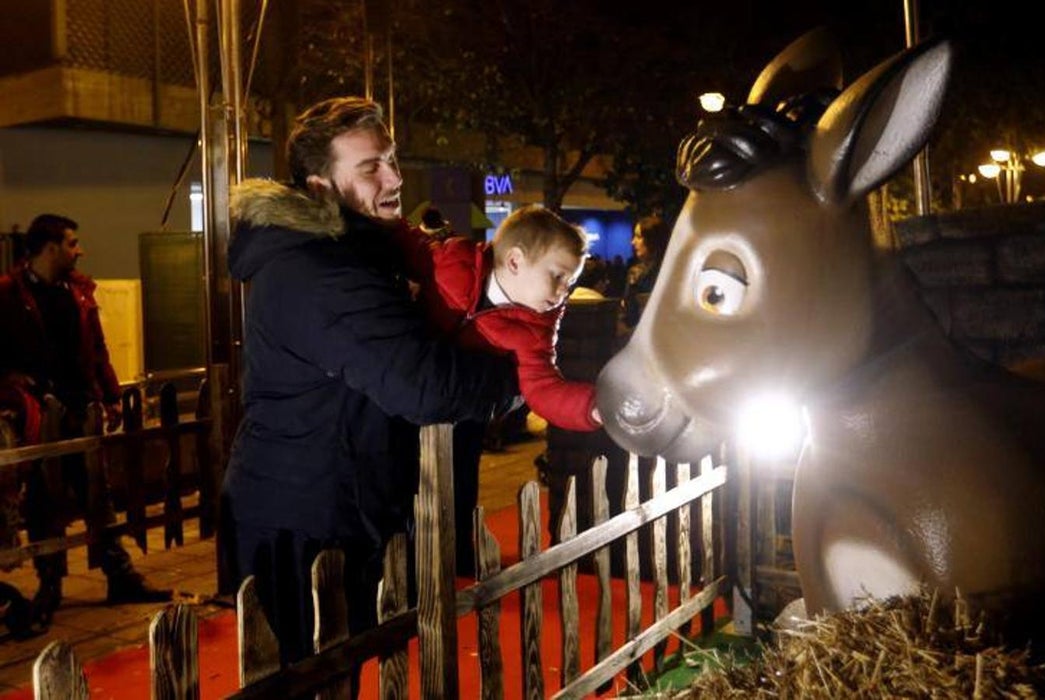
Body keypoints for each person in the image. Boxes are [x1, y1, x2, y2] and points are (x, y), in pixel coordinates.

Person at [224, 96, 519, 667]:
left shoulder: (355, 254)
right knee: (313, 677)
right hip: (304, 525)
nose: (394, 177)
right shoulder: (319, 269)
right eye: (370, 167)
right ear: (319, 187)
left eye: (392, 158)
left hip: (331, 505)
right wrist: (521, 376)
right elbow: (423, 385)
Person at [394, 203, 601, 572]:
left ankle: (453, 557)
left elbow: (544, 387)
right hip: (409, 394)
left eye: (570, 282)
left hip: (464, 413)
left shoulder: (536, 327)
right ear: (516, 261)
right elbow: (407, 246)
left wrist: (594, 407)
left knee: (458, 486)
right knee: (400, 483)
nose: (563, 292)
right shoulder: (453, 261)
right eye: (557, 276)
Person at [0, 213, 170, 624]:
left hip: (80, 404)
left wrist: (109, 396)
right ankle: (50, 583)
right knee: (44, 499)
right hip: (39, 410)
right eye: (73, 243)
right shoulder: (9, 294)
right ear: (51, 247)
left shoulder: (77, 291)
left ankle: (119, 574)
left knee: (98, 493)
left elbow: (97, 347)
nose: (80, 250)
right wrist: (11, 383)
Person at [621, 215, 672, 331]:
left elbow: (631, 315)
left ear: (652, 239)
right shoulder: (674, 269)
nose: (633, 242)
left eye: (638, 236)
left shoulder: (636, 273)